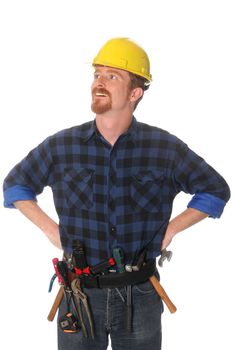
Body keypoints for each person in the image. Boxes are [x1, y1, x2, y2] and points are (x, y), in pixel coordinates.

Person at [3, 37, 230, 350]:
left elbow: (215, 189)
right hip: (79, 293)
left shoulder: (163, 148)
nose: (99, 82)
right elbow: (15, 185)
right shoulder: (62, 147)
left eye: (112, 77)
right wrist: (49, 228)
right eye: (97, 74)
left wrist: (172, 229)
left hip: (140, 296)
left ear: (135, 93)